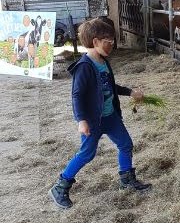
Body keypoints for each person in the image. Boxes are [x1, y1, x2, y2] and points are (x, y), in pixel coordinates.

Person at [49, 18, 151, 209]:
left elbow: (111, 86)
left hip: (110, 116)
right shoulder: (84, 67)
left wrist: (131, 92)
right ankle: (60, 186)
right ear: (95, 42)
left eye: (112, 41)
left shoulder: (103, 62)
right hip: (93, 121)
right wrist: (81, 120)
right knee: (86, 154)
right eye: (108, 41)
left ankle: (127, 179)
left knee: (125, 144)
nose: (112, 45)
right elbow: (77, 96)